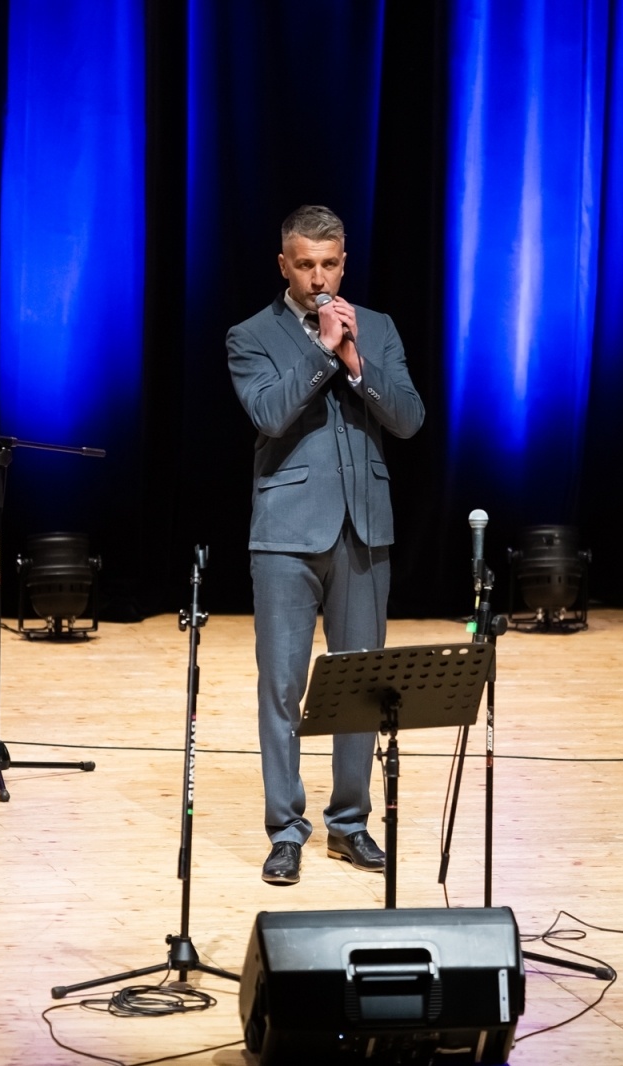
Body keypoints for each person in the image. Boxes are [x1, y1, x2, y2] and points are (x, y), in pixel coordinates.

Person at [227, 205, 425, 885]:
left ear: (345, 261)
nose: (319, 278)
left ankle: (351, 826)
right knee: (282, 687)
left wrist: (353, 356)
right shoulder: (250, 335)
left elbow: (408, 418)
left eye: (330, 264)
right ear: (284, 264)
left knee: (361, 685)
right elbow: (269, 412)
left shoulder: (380, 328)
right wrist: (319, 352)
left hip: (364, 529)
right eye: (306, 265)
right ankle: (285, 830)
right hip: (285, 534)